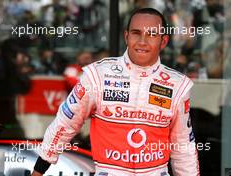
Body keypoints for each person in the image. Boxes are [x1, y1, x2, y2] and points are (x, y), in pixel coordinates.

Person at [31, 8, 200, 176]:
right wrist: (38, 171)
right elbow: (65, 124)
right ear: (126, 36)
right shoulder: (98, 75)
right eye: (136, 33)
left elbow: (183, 147)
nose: (142, 41)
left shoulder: (177, 85)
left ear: (163, 41)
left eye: (151, 34)